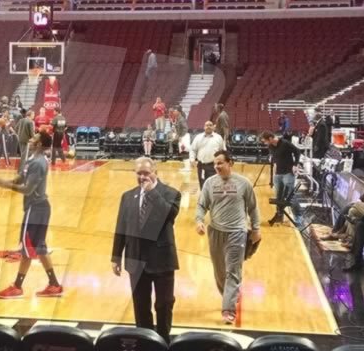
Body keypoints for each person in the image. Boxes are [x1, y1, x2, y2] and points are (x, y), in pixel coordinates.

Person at [111, 157, 180, 337]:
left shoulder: (170, 193)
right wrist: (116, 257)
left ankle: (164, 340)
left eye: (146, 173)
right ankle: (145, 339)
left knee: (164, 304)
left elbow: (169, 215)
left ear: (155, 173)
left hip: (162, 259)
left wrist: (152, 193)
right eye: (139, 173)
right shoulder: (127, 196)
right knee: (140, 304)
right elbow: (121, 227)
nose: (142, 177)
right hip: (135, 259)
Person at [0, 131, 63, 299]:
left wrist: (4, 186)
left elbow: (27, 189)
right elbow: (19, 179)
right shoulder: (31, 159)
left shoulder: (38, 162)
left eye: (34, 139)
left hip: (36, 209)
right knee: (39, 248)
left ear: (38, 144)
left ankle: (17, 286)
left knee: (27, 248)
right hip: (38, 208)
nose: (30, 139)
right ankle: (54, 285)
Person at [195, 150, 260, 326]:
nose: (216, 166)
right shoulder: (210, 183)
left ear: (230, 163)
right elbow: (202, 205)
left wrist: (256, 228)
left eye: (220, 163)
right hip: (215, 231)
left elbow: (253, 208)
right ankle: (230, 294)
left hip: (237, 232)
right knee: (219, 271)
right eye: (215, 163)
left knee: (233, 271)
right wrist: (199, 220)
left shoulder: (243, 183)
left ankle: (228, 310)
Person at [263, 131, 300, 225]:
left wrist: (295, 165)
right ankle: (279, 217)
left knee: (290, 196)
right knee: (279, 197)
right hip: (278, 174)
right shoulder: (270, 146)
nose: (265, 143)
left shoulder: (285, 143)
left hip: (288, 173)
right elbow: (274, 157)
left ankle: (298, 217)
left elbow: (297, 152)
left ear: (270, 139)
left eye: (265, 141)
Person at [190, 120, 226, 189]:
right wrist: (192, 159)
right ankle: (204, 199)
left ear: (213, 127)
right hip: (201, 166)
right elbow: (193, 149)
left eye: (210, 125)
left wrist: (223, 164)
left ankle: (213, 199)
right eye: (207, 125)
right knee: (203, 185)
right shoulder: (198, 137)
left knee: (214, 186)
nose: (208, 127)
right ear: (204, 127)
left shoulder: (218, 138)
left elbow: (223, 152)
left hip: (214, 166)